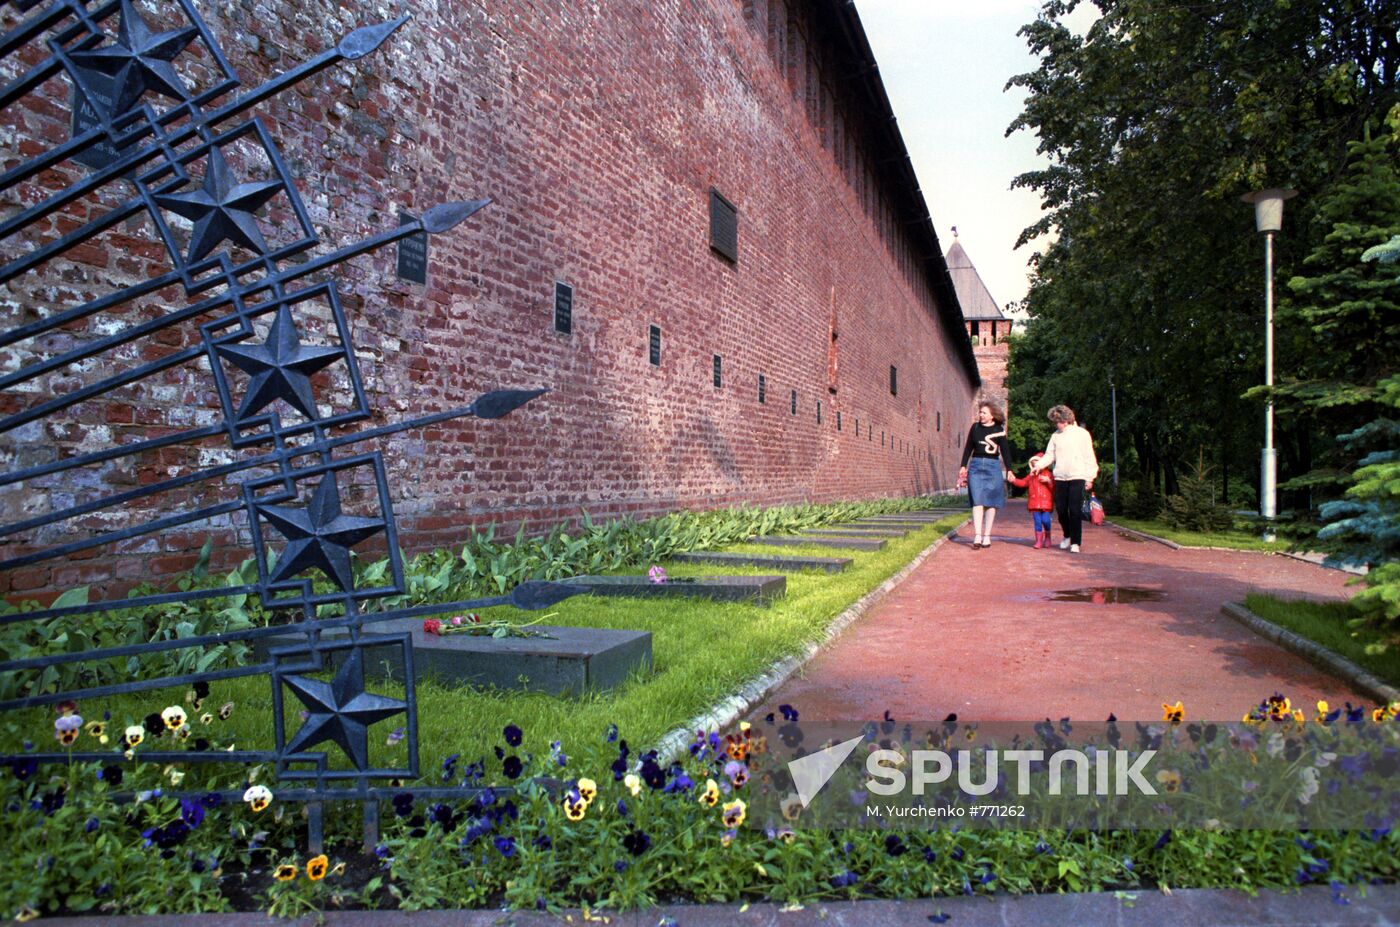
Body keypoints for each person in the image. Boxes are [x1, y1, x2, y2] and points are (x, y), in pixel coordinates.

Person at [1032, 404, 1098, 553]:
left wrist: (1090, 478)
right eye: (1055, 422)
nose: (1057, 424)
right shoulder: (1055, 436)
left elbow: (1089, 456)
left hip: (1078, 475)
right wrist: (1039, 465)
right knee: (1061, 510)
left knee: (1074, 510)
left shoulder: (1082, 434)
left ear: (1066, 420)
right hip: (1060, 477)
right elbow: (1050, 454)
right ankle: (1067, 535)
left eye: (1059, 421)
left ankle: (1076, 542)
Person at [956, 401, 1013, 549]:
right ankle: (977, 535)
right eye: (980, 412)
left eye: (984, 413)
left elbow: (1005, 451)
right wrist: (963, 465)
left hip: (993, 466)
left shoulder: (999, 430)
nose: (981, 415)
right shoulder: (975, 427)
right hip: (975, 466)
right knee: (977, 500)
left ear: (992, 415)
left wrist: (1009, 469)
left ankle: (987, 535)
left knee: (991, 502)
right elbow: (968, 446)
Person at [1008, 453, 1055, 548]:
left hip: (1046, 503)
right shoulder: (1031, 476)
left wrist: (1049, 481)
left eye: (1037, 463)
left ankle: (1048, 537)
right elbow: (1024, 482)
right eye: (1033, 464)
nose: (1035, 466)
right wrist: (1014, 480)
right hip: (1034, 503)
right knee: (1037, 522)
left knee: (1046, 521)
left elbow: (1054, 489)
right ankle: (1038, 540)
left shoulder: (1049, 475)